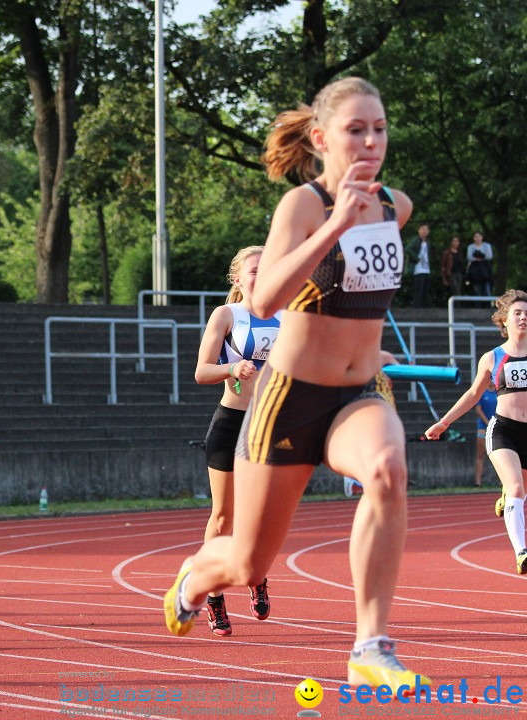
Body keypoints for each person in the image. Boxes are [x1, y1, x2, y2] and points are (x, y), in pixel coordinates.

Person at [163, 77, 431, 690]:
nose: (370, 142)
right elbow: (266, 296)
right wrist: (335, 224)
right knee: (249, 561)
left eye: (380, 129)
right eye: (355, 130)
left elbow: (360, 301)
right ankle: (193, 580)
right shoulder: (304, 206)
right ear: (321, 139)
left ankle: (370, 644)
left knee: (389, 469)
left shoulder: (397, 206)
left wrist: (368, 345)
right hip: (290, 398)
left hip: (359, 394)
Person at [193, 245, 281, 637]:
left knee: (262, 517)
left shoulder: (289, 317)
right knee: (224, 517)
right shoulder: (227, 315)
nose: (262, 276)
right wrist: (233, 366)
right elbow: (201, 371)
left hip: (268, 427)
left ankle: (255, 574)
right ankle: (214, 595)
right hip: (230, 423)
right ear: (237, 278)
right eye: (255, 270)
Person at [425, 290, 527, 573]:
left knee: (520, 490)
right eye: (517, 313)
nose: (523, 318)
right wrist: (444, 422)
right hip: (504, 430)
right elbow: (472, 394)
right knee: (517, 487)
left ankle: (507, 497)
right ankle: (522, 552)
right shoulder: (492, 358)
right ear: (504, 321)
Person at [474, 382, 498, 488]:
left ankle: (502, 481)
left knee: (498, 455)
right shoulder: (482, 392)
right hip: (483, 426)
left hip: (497, 426)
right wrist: (488, 423)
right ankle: (478, 481)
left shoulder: (498, 392)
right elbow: (478, 410)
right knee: (480, 454)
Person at [405, 223, 430, 308]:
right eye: (423, 229)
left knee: (425, 289)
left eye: (426, 229)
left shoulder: (427, 242)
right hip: (418, 269)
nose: (424, 231)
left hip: (426, 268)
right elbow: (407, 249)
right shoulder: (416, 240)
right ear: (419, 230)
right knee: (418, 289)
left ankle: (423, 306)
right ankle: (416, 306)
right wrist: (416, 258)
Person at [466, 231, 494, 297]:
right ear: (474, 238)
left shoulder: (487, 245)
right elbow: (469, 257)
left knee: (487, 288)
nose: (478, 238)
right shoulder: (471, 247)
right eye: (476, 237)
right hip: (475, 270)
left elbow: (489, 256)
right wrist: (480, 258)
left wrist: (478, 257)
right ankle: (477, 305)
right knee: (476, 289)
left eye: (479, 236)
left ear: (482, 237)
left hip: (485, 269)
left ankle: (487, 305)